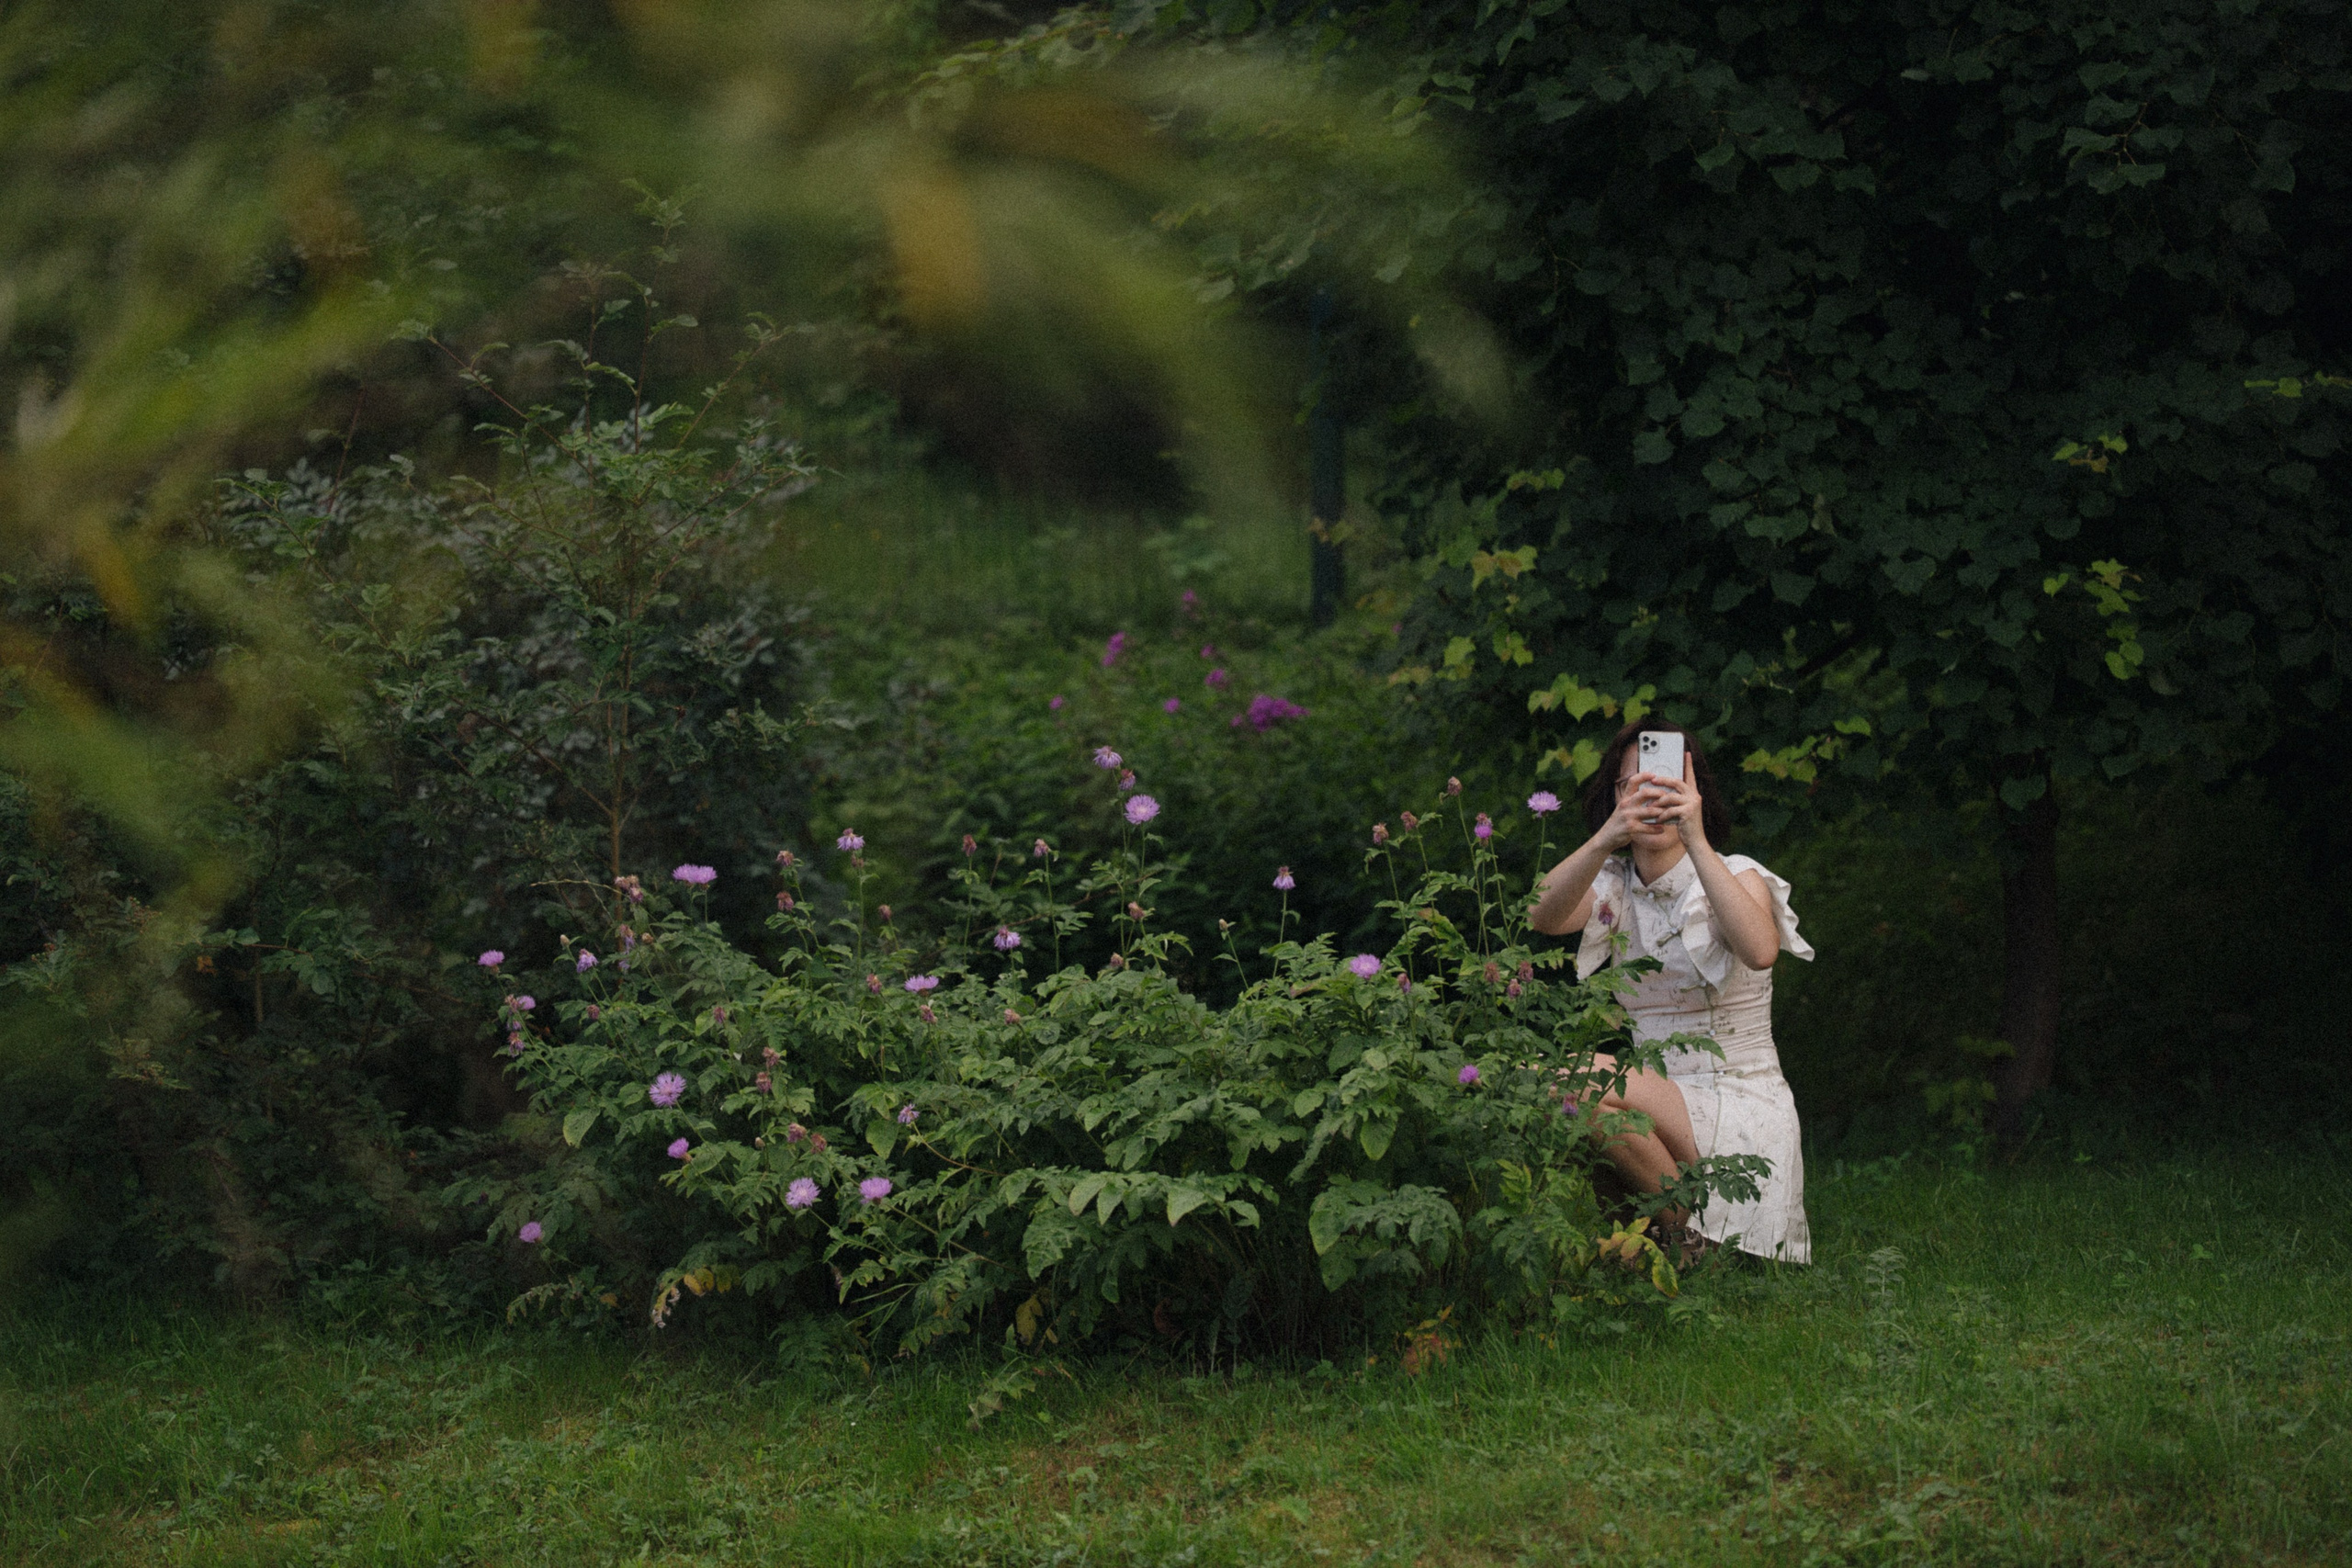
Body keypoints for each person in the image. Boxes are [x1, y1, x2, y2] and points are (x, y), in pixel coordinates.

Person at [1528, 720, 1815, 1263]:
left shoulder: (1738, 876)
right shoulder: (1613, 889)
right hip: (1660, 1100)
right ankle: (1678, 1241)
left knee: (1567, 1079)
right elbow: (1541, 916)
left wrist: (1695, 839)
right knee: (1575, 1101)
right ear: (1614, 797)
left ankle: (1678, 1237)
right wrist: (1606, 837)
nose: (1651, 797)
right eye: (1633, 785)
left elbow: (1760, 951)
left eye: (1665, 783)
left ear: (1694, 793)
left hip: (1743, 1105)